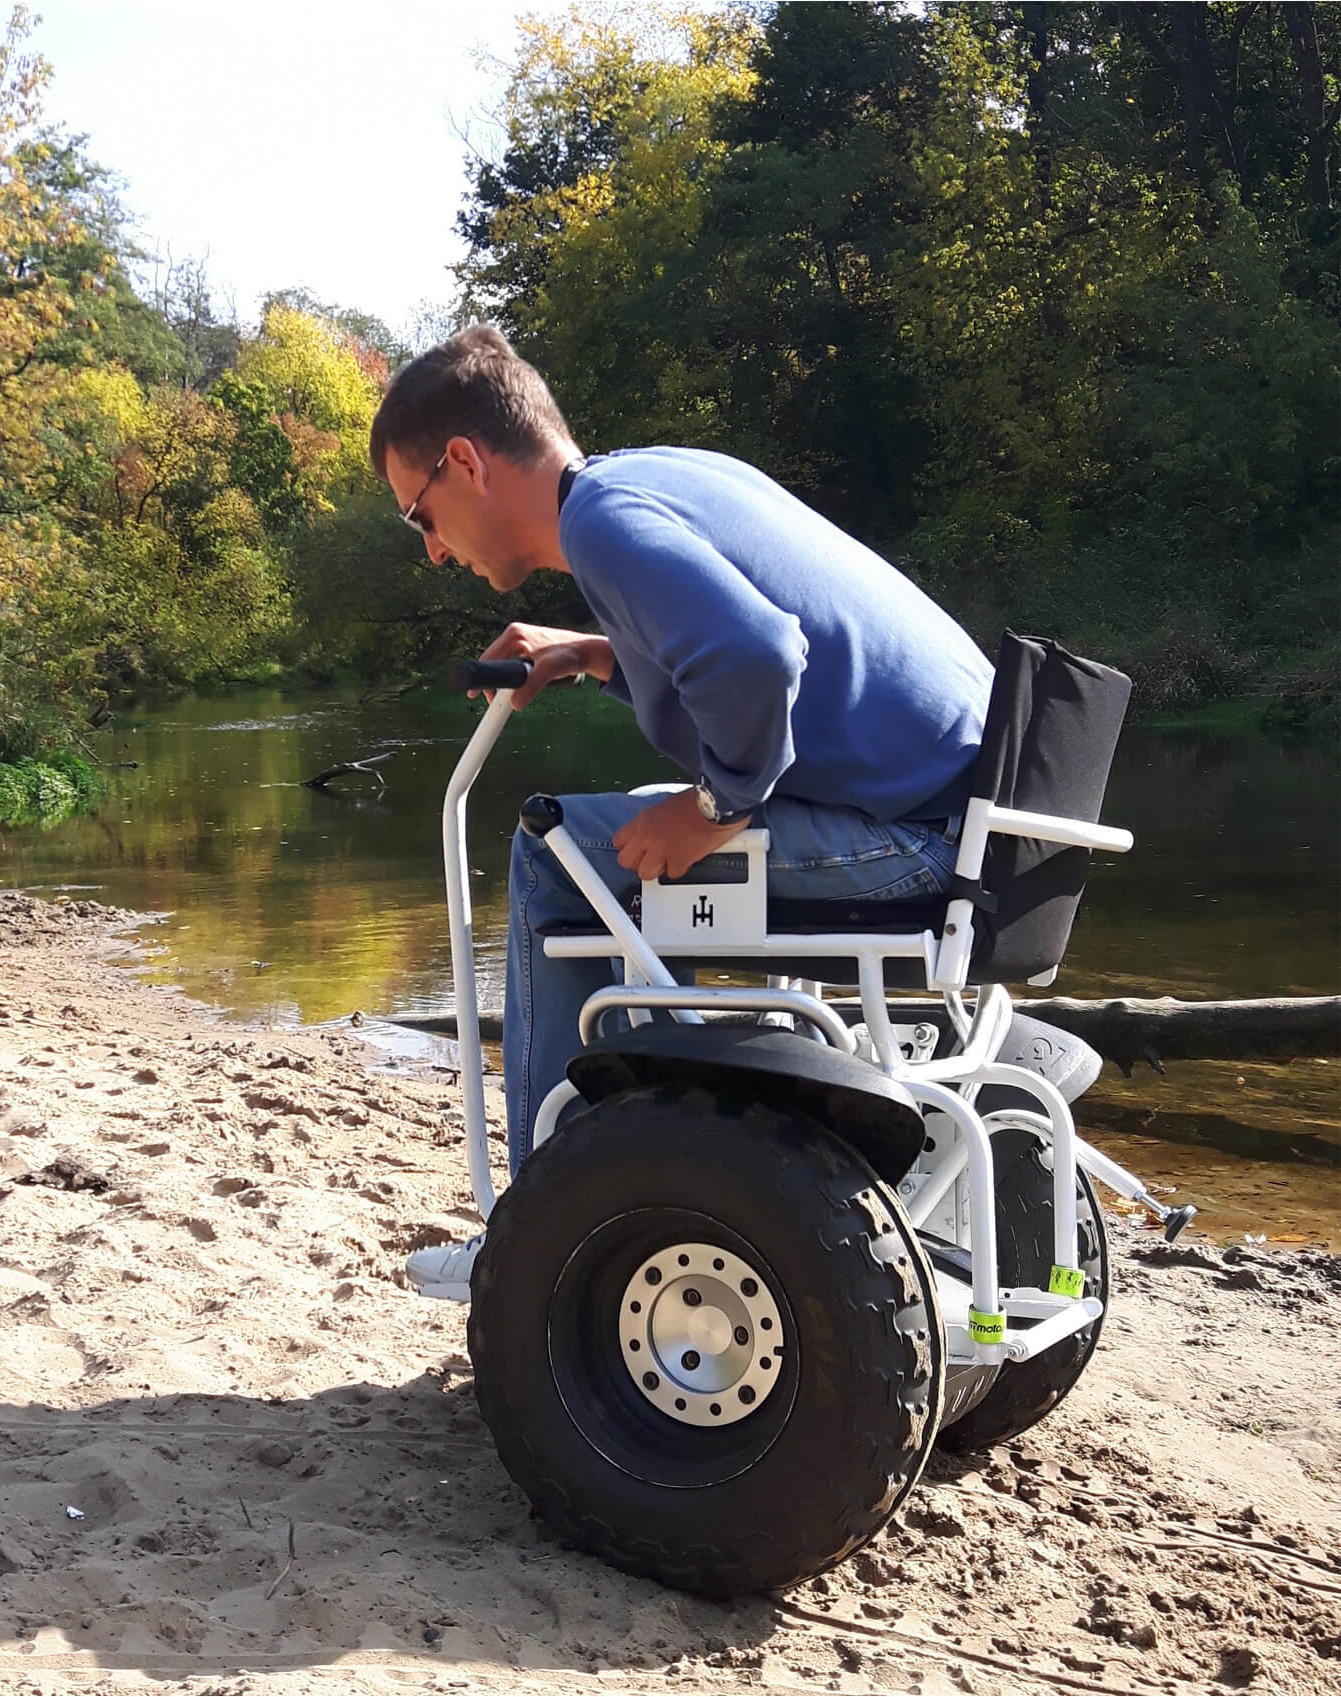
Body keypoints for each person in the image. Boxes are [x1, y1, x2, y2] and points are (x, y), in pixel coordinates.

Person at [371, 327, 993, 1300]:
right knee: (612, 846)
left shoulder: (604, 524)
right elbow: (749, 639)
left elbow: (759, 656)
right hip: (979, 823)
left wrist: (713, 809)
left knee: (552, 853)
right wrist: (593, 653)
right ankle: (655, 1156)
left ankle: (544, 1222)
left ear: (465, 461)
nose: (435, 549)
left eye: (421, 514)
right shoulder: (654, 478)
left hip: (915, 839)